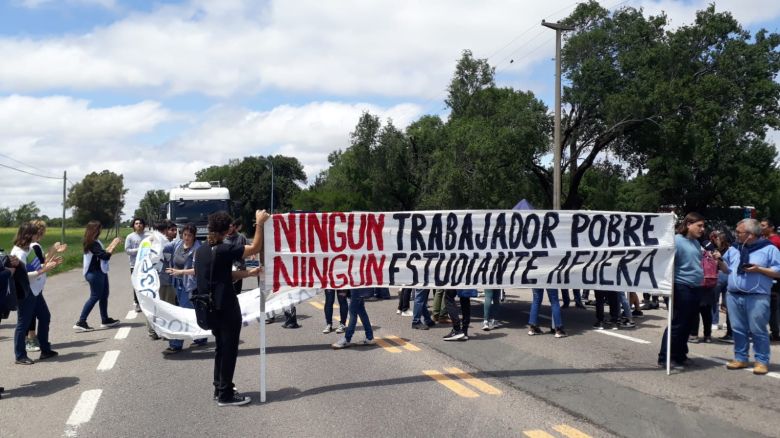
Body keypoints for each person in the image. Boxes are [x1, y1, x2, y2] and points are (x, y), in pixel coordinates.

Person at [194, 209, 269, 406]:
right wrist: (259, 223)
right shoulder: (224, 248)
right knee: (229, 350)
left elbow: (221, 276)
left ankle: (219, 387)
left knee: (221, 348)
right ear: (228, 230)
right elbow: (255, 247)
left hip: (209, 309)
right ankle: (226, 395)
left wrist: (248, 274)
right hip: (225, 308)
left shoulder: (201, 250)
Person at [719, 218, 780, 375]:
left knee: (757, 329)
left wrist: (759, 269)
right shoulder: (734, 248)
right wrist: (719, 261)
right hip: (734, 295)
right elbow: (726, 269)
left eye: (739, 232)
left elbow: (778, 271)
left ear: (751, 234)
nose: (736, 234)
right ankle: (741, 358)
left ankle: (761, 361)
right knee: (738, 329)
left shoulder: (769, 249)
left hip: (757, 296)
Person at [657, 212, 706, 370]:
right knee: (678, 323)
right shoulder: (676, 241)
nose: (702, 229)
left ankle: (680, 355)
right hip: (681, 286)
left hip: (695, 287)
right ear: (688, 225)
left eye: (703, 226)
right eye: (699, 225)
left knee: (688, 323)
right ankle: (665, 357)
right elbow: (667, 264)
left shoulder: (696, 243)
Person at [11, 223, 61, 364]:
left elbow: (36, 265)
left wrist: (48, 264)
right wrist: (44, 270)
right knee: (23, 323)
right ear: (28, 235)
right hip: (26, 292)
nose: (37, 236)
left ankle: (45, 350)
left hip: (36, 290)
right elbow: (24, 275)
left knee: (45, 317)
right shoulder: (19, 252)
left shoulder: (28, 248)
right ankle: (20, 356)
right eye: (35, 233)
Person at [24, 220, 67, 353]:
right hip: (33, 285)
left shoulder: (32, 245)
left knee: (34, 315)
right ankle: (31, 340)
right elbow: (41, 265)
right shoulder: (35, 246)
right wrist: (53, 251)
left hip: (33, 285)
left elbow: (42, 261)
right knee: (32, 315)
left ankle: (37, 344)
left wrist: (53, 252)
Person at [165, 223, 206, 352]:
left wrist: (180, 272)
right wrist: (151, 240)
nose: (187, 237)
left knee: (182, 314)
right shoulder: (177, 244)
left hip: (190, 285)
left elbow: (197, 270)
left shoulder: (198, 249)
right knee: (193, 312)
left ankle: (176, 344)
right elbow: (163, 246)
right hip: (177, 283)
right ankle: (200, 338)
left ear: (194, 236)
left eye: (190, 235)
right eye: (185, 234)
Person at [74, 221, 121, 332]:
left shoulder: (95, 241)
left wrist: (111, 246)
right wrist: (114, 244)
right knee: (95, 296)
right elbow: (104, 256)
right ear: (93, 230)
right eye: (98, 229)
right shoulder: (91, 243)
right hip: (94, 273)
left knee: (104, 295)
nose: (100, 231)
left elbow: (103, 253)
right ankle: (81, 321)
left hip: (100, 272)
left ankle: (105, 319)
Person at [759, 218, 780, 342]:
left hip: (774, 277)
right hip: (768, 276)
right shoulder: (768, 240)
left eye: (763, 225)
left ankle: (775, 332)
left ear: (771, 227)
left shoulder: (774, 242)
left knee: (773, 305)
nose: (761, 228)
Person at [124, 218, 147, 312]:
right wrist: (139, 249)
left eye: (140, 223)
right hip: (135, 265)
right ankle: (137, 302)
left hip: (147, 264)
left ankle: (146, 302)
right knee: (136, 284)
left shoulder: (148, 236)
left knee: (146, 284)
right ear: (133, 225)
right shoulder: (130, 237)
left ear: (143, 225)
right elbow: (127, 250)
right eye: (136, 223)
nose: (139, 225)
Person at [224, 218, 247, 295]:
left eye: (231, 226)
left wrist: (252, 254)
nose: (229, 228)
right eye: (227, 227)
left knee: (238, 293)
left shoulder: (241, 237)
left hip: (239, 269)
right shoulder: (222, 238)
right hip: (227, 270)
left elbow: (248, 248)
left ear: (234, 227)